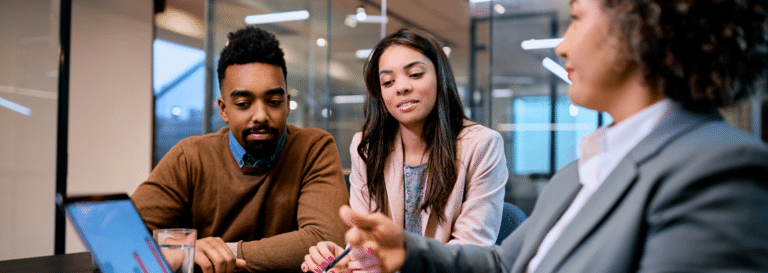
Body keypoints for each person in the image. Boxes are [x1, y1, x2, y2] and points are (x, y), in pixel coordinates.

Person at [339, 0, 768, 272]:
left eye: (577, 17)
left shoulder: (720, 170)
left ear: (639, 26)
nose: (562, 46)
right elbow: (503, 261)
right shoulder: (579, 172)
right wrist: (408, 251)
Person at [131, 26, 349, 273]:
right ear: (224, 109)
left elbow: (324, 241)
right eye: (244, 104)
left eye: (274, 102)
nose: (261, 115)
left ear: (287, 104)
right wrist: (181, 249)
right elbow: (121, 236)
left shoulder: (313, 148)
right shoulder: (190, 157)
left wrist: (222, 254)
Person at [301, 28, 509, 273]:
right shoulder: (367, 148)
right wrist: (345, 258)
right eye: (388, 82)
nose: (401, 88)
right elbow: (366, 243)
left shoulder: (482, 145)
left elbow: (472, 253)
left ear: (440, 77)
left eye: (415, 74)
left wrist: (397, 261)